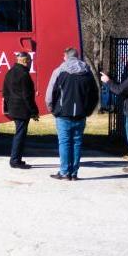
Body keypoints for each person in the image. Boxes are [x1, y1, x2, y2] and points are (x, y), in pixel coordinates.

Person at [45, 48, 99, 181]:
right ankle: (74, 173)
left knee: (64, 143)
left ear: (65, 56)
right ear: (78, 56)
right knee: (77, 142)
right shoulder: (87, 72)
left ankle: (64, 172)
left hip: (63, 113)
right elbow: (94, 94)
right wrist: (89, 110)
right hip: (81, 113)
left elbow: (50, 94)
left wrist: (52, 109)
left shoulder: (59, 71)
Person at [2, 51, 39, 169]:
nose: (31, 63)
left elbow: (5, 93)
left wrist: (10, 105)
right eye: (30, 61)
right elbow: (27, 96)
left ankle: (17, 159)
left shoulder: (10, 72)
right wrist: (34, 111)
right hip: (22, 110)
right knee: (20, 135)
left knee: (19, 133)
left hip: (14, 109)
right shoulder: (24, 75)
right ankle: (15, 160)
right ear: (25, 61)